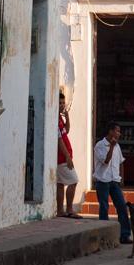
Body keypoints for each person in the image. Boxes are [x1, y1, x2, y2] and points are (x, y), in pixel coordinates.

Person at [93, 121, 132, 244]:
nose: (119, 134)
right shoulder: (100, 145)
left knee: (122, 206)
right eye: (117, 131)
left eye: (119, 131)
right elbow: (106, 161)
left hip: (114, 181)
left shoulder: (117, 146)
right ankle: (104, 235)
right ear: (110, 131)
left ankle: (125, 235)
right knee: (104, 207)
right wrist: (111, 147)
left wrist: (121, 178)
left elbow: (121, 162)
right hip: (103, 180)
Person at [56, 90, 81, 218]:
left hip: (63, 157)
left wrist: (67, 116)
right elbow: (59, 140)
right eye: (59, 102)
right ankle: (70, 209)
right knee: (73, 180)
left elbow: (67, 130)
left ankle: (60, 210)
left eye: (62, 102)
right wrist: (67, 157)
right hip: (62, 158)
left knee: (60, 184)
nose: (61, 105)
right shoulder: (54, 118)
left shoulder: (59, 117)